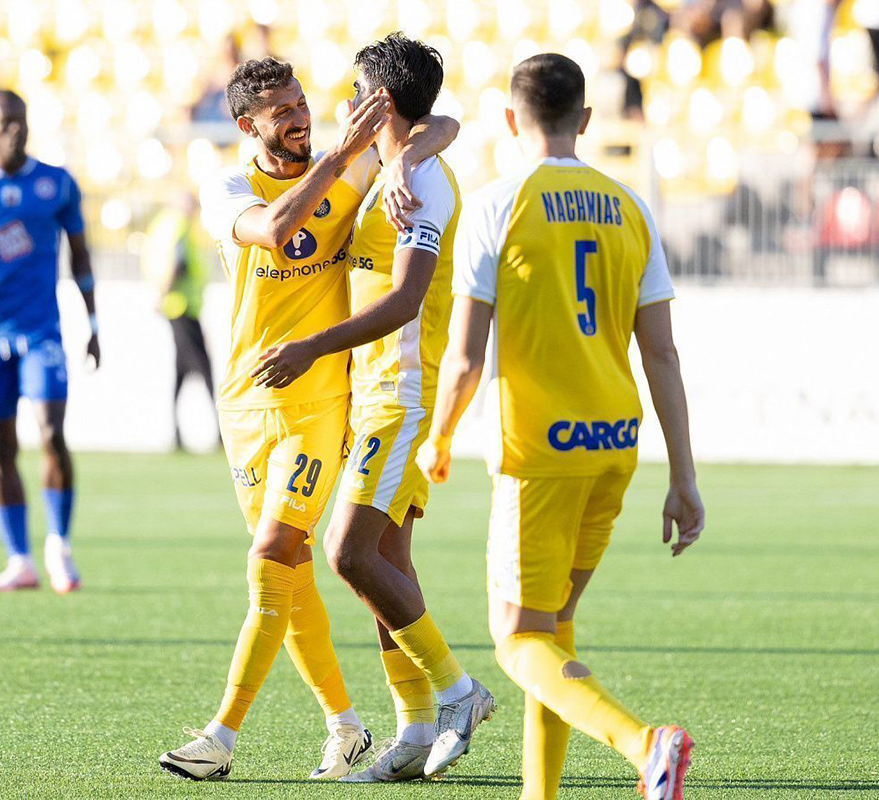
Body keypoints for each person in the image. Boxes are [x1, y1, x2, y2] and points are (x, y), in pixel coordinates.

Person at [158, 56, 459, 781]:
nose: (300, 119)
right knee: (286, 573)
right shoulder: (230, 188)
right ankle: (346, 726)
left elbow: (438, 122)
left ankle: (221, 737)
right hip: (248, 398)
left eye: (301, 104)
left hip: (322, 399)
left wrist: (399, 155)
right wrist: (346, 156)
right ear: (247, 126)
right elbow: (275, 227)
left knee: (276, 552)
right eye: (282, 113)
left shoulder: (353, 166)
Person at [415, 54, 705, 800]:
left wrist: (439, 435)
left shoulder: (497, 204)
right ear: (585, 118)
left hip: (539, 451)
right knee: (551, 628)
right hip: (613, 447)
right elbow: (663, 354)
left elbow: (465, 356)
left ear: (511, 120)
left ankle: (646, 745)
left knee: (517, 639)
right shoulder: (631, 207)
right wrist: (684, 477)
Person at [250, 33, 495, 782]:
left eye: (356, 91)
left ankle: (458, 692)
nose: (344, 102)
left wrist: (312, 346)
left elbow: (406, 299)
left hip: (401, 393)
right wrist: (408, 150)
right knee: (387, 562)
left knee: (347, 554)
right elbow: (442, 121)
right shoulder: (393, 165)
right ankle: (414, 730)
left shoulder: (422, 182)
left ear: (379, 101)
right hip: (375, 393)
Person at [0, 90, 100, 596]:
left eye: (20, 120)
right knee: (1, 446)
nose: (14, 130)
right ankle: (19, 560)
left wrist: (94, 323)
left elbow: (80, 255)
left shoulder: (56, 184)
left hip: (41, 331)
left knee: (51, 432)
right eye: (4, 122)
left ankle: (59, 546)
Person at [142, 193, 218, 451]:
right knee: (204, 367)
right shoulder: (178, 225)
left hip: (177, 305)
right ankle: (220, 431)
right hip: (182, 305)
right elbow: (176, 262)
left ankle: (176, 432)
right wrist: (163, 292)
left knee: (182, 370)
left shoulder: (163, 224)